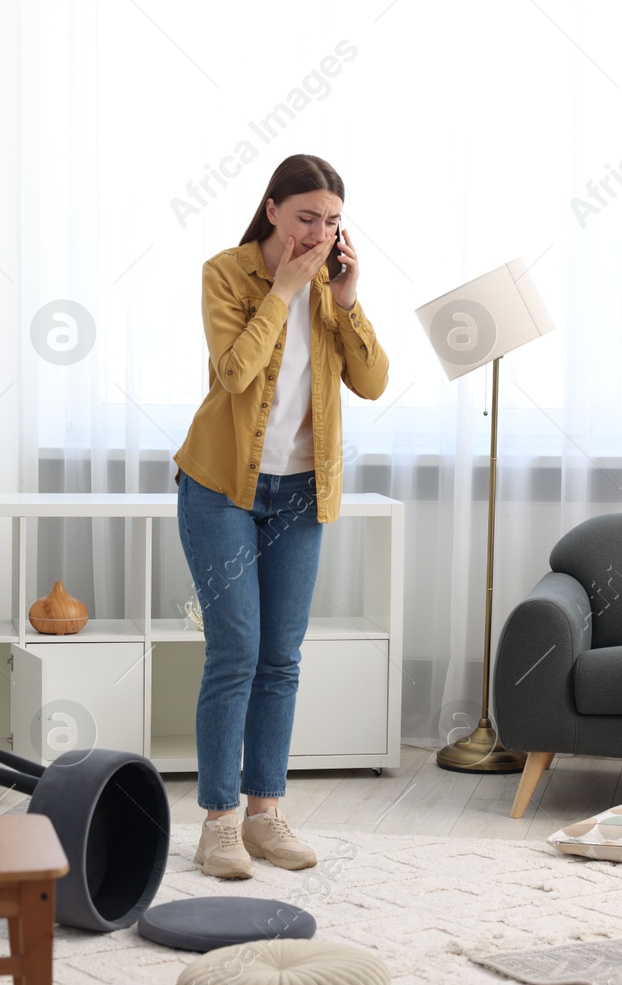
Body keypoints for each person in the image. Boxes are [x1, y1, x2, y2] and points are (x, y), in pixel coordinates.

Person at [171, 154, 390, 879]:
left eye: (331, 222)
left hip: (300, 492)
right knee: (235, 648)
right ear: (272, 210)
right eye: (306, 218)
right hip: (222, 487)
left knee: (281, 658)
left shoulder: (332, 288)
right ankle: (219, 823)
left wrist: (348, 298)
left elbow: (372, 380)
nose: (319, 233)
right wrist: (285, 289)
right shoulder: (226, 273)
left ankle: (265, 815)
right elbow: (234, 373)